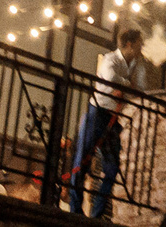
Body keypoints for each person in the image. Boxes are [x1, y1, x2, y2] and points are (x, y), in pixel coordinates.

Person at [62, 26, 150, 216]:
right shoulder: (111, 59)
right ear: (129, 44)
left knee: (112, 168)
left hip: (113, 117)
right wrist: (129, 86)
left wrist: (127, 86)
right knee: (82, 162)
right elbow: (110, 79)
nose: (142, 47)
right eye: (139, 43)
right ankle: (75, 210)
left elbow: (141, 88)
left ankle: (96, 213)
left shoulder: (135, 64)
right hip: (98, 113)